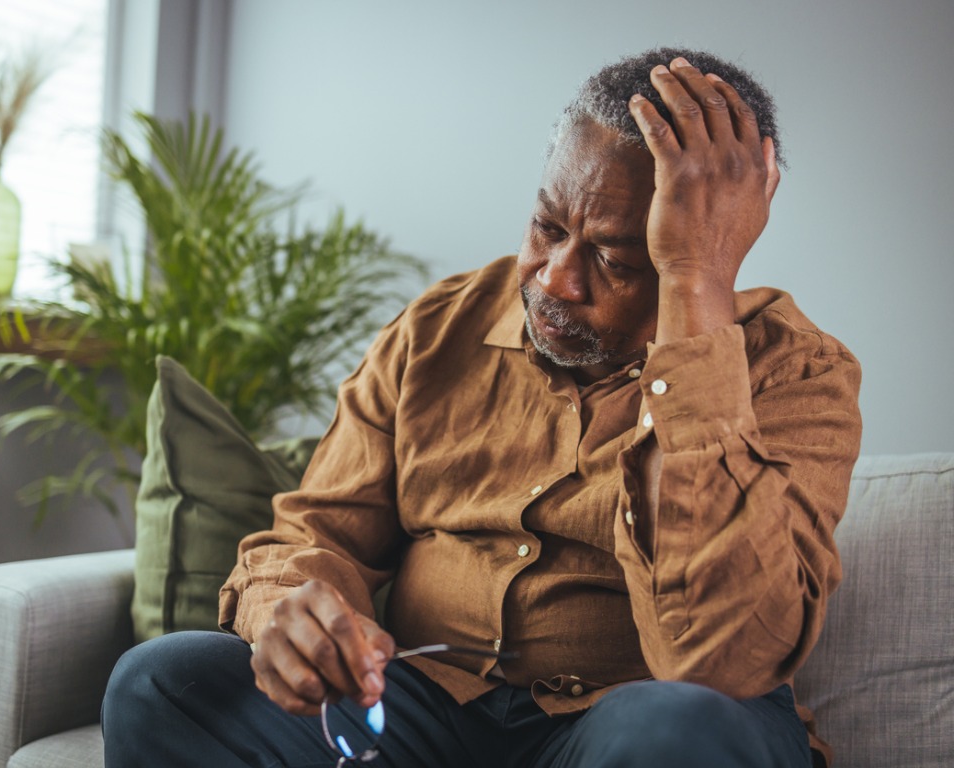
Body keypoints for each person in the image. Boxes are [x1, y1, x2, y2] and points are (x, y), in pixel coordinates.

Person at [103, 47, 861, 768]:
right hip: (421, 710)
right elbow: (318, 530)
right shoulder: (439, 327)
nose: (557, 279)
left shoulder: (795, 372)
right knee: (164, 682)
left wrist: (696, 286)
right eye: (547, 227)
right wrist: (289, 614)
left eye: (615, 259)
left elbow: (723, 659)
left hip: (633, 719)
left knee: (680, 726)